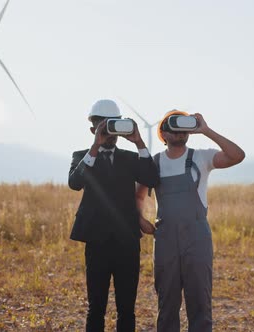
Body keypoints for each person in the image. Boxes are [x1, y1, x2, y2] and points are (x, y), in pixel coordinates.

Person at [136, 110, 245, 332]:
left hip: (197, 239)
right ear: (163, 133)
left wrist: (205, 129)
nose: (181, 132)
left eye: (185, 127)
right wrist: (139, 219)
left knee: (200, 302)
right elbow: (139, 195)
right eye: (175, 127)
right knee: (167, 303)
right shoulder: (154, 163)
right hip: (166, 239)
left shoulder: (201, 157)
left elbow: (237, 155)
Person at [68, 99, 159, 332]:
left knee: (127, 309)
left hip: (127, 242)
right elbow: (75, 183)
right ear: (93, 129)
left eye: (114, 125)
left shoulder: (130, 158)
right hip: (96, 242)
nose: (110, 132)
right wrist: (95, 148)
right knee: (96, 307)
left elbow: (152, 177)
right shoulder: (82, 156)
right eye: (104, 126)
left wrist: (139, 141)